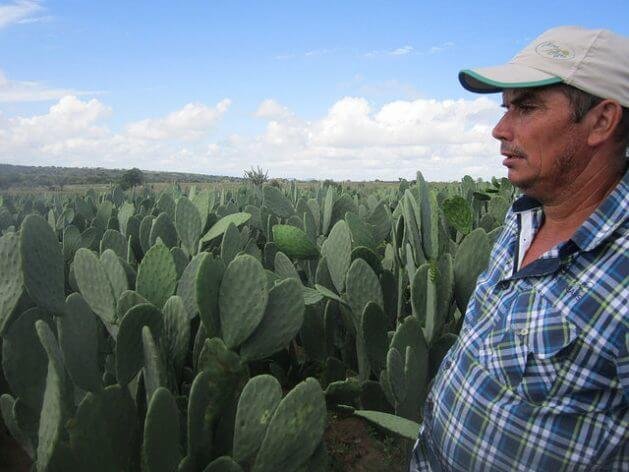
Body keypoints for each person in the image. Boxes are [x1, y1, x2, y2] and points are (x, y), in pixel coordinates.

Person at [411, 26, 628, 471]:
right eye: (505, 107)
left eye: (526, 107)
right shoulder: (523, 219)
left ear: (602, 121)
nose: (498, 129)